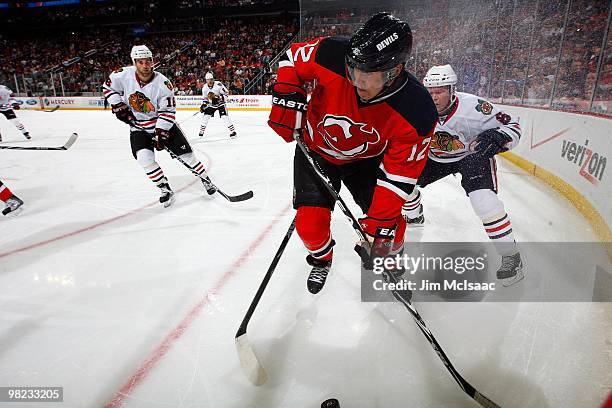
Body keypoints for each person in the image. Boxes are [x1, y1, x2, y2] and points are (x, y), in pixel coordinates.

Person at [267, 12, 438, 294]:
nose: (357, 80)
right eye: (353, 69)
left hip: (366, 162)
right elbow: (292, 59)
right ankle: (322, 259)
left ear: (394, 71)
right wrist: (288, 89)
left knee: (391, 230)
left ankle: (391, 264)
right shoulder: (332, 52)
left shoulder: (417, 110)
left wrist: (378, 227)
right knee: (309, 227)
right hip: (316, 151)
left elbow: (399, 176)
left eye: (367, 74)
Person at [401, 64, 524, 287]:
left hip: (470, 156)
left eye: (439, 92)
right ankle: (414, 213)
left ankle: (510, 256)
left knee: (483, 200)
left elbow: (513, 127)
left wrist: (495, 139)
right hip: (433, 157)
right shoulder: (414, 106)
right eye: (430, 91)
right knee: (402, 182)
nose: (433, 97)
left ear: (452, 90)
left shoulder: (476, 107)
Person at [103, 45, 216, 208]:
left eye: (148, 61)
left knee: (187, 157)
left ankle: (206, 180)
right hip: (138, 127)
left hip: (163, 125)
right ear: (134, 62)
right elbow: (108, 88)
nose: (145, 66)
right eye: (140, 62)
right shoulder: (121, 75)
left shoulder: (163, 84)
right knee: (144, 159)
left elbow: (168, 112)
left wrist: (161, 132)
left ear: (152, 61)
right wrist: (118, 105)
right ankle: (164, 187)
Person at [198, 72, 237, 139]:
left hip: (220, 103)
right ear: (206, 80)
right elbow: (205, 99)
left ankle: (233, 132)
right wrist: (203, 105)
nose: (210, 81)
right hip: (211, 104)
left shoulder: (218, 84)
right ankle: (201, 132)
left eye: (211, 79)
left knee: (225, 117)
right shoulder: (204, 88)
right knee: (206, 117)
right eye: (208, 80)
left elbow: (226, 94)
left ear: (213, 79)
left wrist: (219, 98)